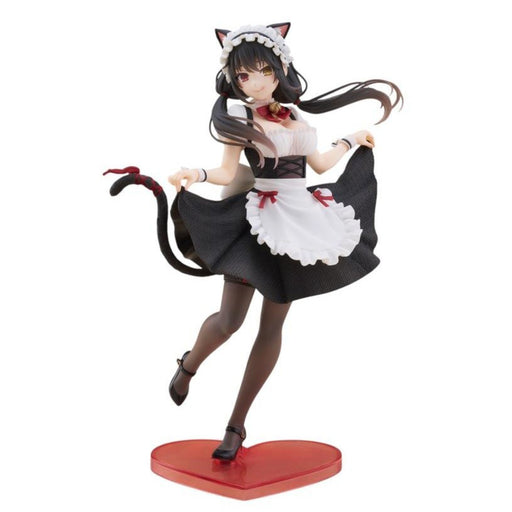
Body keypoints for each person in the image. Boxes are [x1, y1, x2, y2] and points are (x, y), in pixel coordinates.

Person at [108, 22, 402, 461]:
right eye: (244, 75)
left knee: (272, 326)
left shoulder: (296, 115)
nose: (256, 82)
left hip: (301, 222)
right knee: (230, 321)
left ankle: (236, 424)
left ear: (280, 69)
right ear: (234, 78)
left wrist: (350, 140)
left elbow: (320, 165)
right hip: (261, 221)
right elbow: (227, 172)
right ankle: (189, 364)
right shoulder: (239, 118)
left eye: (264, 71)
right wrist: (195, 174)